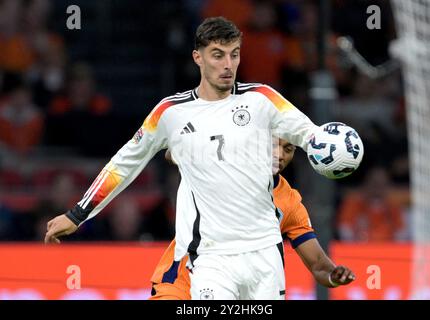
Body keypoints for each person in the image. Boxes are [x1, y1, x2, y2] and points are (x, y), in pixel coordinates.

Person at [45, 17, 329, 300]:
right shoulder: (171, 112)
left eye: (234, 54)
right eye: (217, 55)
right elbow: (123, 164)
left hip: (264, 255)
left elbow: (310, 135)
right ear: (198, 57)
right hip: (211, 257)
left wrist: (329, 146)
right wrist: (77, 214)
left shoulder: (262, 98)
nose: (228, 65)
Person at [150, 139, 355, 299]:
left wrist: (333, 275)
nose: (279, 155)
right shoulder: (222, 168)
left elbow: (318, 263)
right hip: (180, 284)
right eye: (272, 144)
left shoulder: (289, 203)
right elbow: (171, 154)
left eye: (288, 149)